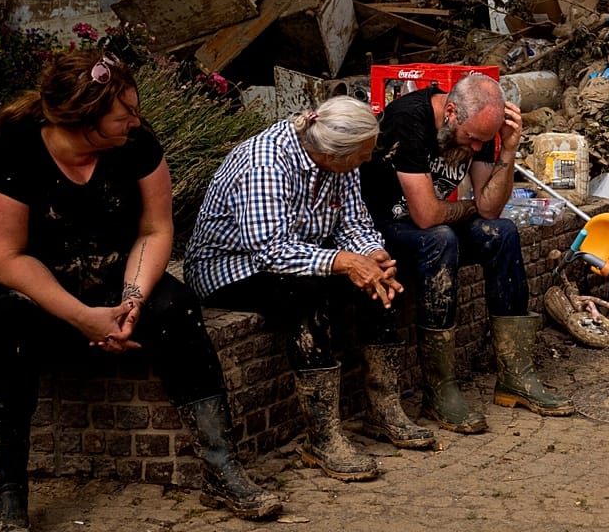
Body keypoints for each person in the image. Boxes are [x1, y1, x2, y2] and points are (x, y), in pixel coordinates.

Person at [0, 50, 279, 531]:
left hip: (109, 277)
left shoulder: (137, 144)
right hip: (20, 287)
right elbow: (4, 260)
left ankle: (222, 463)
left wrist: (132, 304)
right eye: (124, 115)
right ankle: (6, 492)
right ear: (84, 120)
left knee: (179, 307)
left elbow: (155, 229)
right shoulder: (9, 155)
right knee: (8, 326)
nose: (136, 122)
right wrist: (83, 317)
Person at [185, 97, 435, 482]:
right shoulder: (265, 164)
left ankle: (383, 410)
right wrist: (347, 262)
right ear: (335, 153)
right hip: (231, 268)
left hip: (300, 258)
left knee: (379, 284)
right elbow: (272, 251)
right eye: (363, 154)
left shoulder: (340, 162)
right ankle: (323, 436)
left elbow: (355, 224)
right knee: (306, 293)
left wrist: (373, 255)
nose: (368, 161)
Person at [359, 72, 573, 434]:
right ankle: (439, 390)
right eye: (471, 139)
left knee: (501, 233)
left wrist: (507, 148)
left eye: (482, 142)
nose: (475, 148)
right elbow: (426, 216)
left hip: (433, 224)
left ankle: (515, 375)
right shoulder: (409, 119)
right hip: (381, 228)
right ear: (452, 112)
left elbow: (489, 209)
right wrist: (468, 209)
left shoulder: (483, 130)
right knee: (441, 238)